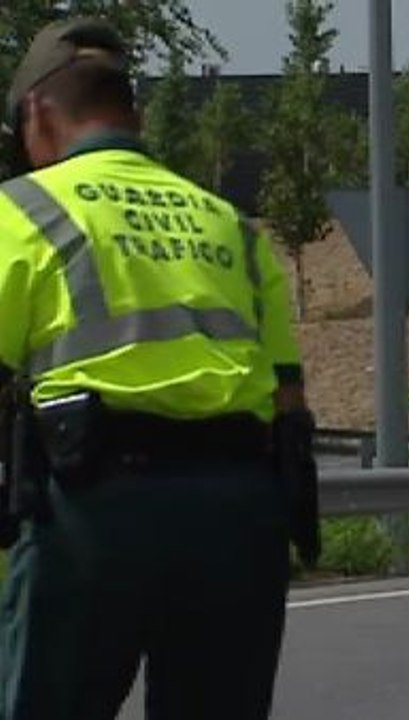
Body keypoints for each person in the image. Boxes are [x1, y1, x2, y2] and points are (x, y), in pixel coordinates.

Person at [0, 17, 307, 719]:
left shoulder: (19, 211)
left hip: (92, 515)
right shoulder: (229, 222)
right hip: (239, 514)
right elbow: (288, 396)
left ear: (38, 112)